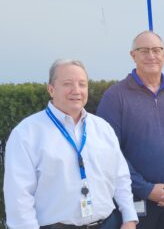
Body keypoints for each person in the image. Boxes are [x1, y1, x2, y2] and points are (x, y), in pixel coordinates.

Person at [4, 59, 138, 229]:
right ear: (51, 89)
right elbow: (19, 196)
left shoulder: (103, 128)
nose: (76, 90)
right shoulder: (26, 133)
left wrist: (129, 218)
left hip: (108, 224)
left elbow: (121, 177)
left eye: (82, 84)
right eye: (67, 84)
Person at [97, 31, 164, 229]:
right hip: (136, 201)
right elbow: (110, 152)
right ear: (133, 55)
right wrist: (146, 189)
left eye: (156, 50)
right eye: (144, 50)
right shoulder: (115, 97)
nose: (151, 55)